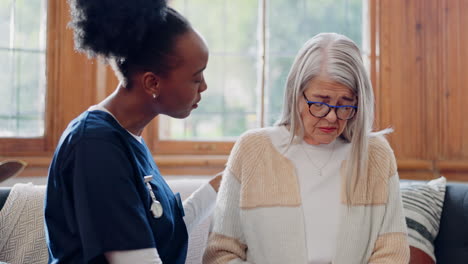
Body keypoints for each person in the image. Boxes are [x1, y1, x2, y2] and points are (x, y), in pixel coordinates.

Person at [203, 33, 410, 264]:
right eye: (320, 103)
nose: (332, 117)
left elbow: (393, 251)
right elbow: (220, 253)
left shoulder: (375, 155)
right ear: (295, 94)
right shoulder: (253, 149)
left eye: (345, 104)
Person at [44, 1, 221, 263]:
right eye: (196, 78)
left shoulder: (126, 138)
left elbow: (167, 228)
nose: (204, 87)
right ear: (152, 82)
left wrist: (228, 180)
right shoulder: (95, 146)